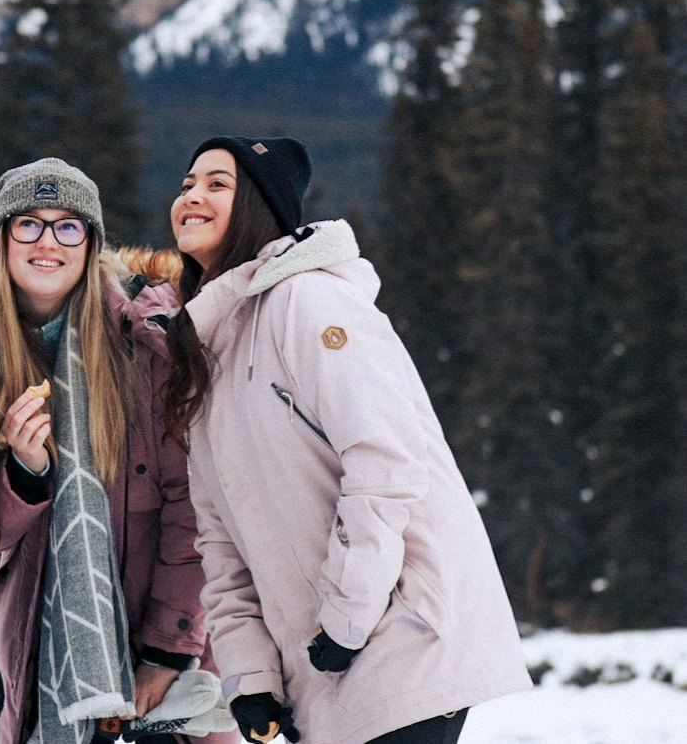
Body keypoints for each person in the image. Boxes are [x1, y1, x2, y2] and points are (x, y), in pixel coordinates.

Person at [161, 136, 531, 744]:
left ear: (261, 208)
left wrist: (347, 619)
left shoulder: (308, 300)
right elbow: (221, 538)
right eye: (186, 184)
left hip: (400, 638)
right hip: (327, 660)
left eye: (217, 185)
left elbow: (384, 462)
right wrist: (251, 674)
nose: (192, 196)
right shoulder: (208, 349)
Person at [0, 158, 220, 744]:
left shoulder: (149, 344)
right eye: (29, 225)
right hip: (44, 653)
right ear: (2, 238)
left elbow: (193, 508)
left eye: (68, 226)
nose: (48, 242)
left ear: (91, 242)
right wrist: (24, 478)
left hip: (167, 645)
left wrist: (165, 651)